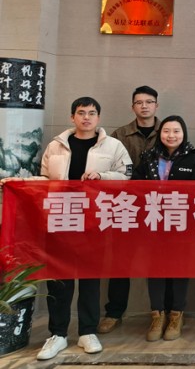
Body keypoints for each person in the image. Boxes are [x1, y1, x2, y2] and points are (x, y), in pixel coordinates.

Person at [3, 97, 133, 361]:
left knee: (90, 279)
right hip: (60, 219)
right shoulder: (57, 145)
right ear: (72, 116)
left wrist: (102, 177)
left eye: (92, 113)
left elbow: (127, 176)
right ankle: (58, 334)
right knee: (59, 279)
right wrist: (18, 183)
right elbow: (45, 180)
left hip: (94, 221)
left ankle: (87, 331)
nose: (86, 117)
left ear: (98, 117)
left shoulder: (113, 145)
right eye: (81, 113)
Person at [132, 115, 195, 342]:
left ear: (183, 134)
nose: (171, 135)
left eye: (176, 131)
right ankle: (157, 315)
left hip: (182, 226)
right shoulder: (148, 157)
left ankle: (176, 315)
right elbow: (135, 186)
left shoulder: (193, 159)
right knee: (155, 270)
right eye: (166, 131)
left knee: (180, 269)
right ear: (160, 134)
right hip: (153, 224)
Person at [97, 85, 160, 335]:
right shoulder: (119, 135)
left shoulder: (168, 130)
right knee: (121, 261)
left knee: (159, 261)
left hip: (158, 208)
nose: (144, 106)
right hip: (126, 206)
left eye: (149, 102)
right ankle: (114, 312)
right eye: (139, 102)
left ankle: (160, 313)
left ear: (156, 105)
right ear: (132, 106)